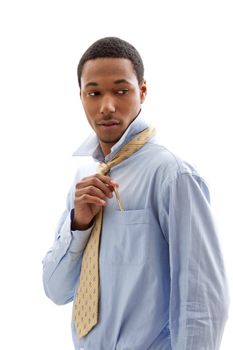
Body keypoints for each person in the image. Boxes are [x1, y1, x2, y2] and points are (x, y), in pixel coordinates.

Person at [42, 37, 229, 350]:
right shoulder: (84, 182)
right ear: (81, 97)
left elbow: (203, 300)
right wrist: (79, 225)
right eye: (94, 93)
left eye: (121, 90)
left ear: (142, 91)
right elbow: (56, 289)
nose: (107, 106)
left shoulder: (172, 175)